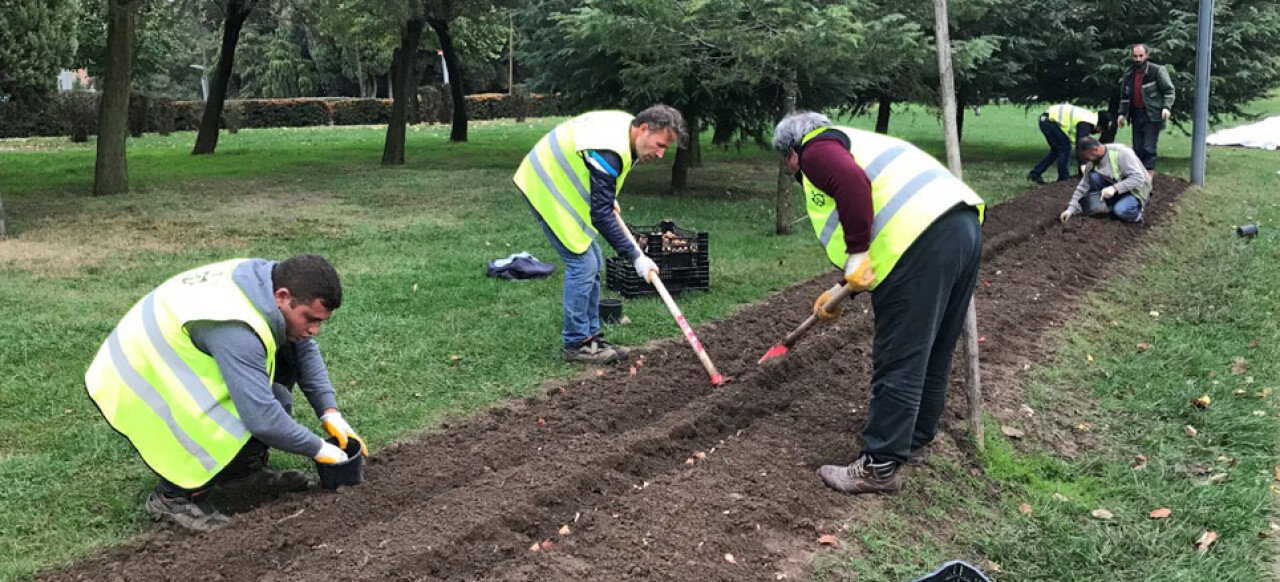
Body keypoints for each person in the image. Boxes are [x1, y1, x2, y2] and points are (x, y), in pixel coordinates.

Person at [772, 112, 985, 495]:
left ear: (791, 151)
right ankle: (915, 439)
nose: (793, 171)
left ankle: (880, 466)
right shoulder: (855, 142)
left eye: (788, 164)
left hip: (920, 242)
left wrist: (855, 254)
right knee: (934, 348)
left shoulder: (815, 148)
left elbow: (853, 187)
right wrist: (843, 289)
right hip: (960, 228)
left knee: (900, 353)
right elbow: (881, 219)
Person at [84, 255, 366, 532]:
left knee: (279, 377)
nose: (314, 330)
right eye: (310, 319)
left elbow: (304, 351)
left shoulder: (264, 283)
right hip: (138, 373)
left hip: (174, 349)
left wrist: (330, 413)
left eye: (321, 322)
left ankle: (239, 475)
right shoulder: (238, 329)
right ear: (282, 296)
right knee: (224, 421)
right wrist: (319, 449)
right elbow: (263, 419)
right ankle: (171, 498)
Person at [513, 105, 687, 364]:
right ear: (643, 129)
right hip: (545, 185)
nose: (661, 154)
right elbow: (601, 216)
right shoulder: (611, 149)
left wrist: (607, 195)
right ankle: (575, 343)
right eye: (660, 144)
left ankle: (591, 338)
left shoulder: (627, 133)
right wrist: (636, 257)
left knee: (592, 259)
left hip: (558, 183)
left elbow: (601, 179)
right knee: (583, 265)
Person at [1059, 137, 1151, 224]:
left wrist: (1114, 188)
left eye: (1087, 158)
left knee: (1120, 211)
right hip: (1119, 190)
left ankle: (1136, 214)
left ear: (1095, 150)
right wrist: (1070, 209)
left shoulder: (1122, 153)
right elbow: (1083, 186)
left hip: (1137, 190)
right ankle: (1112, 205)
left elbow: (1138, 177)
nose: (1087, 161)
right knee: (1093, 177)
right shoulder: (1093, 162)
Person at [1116, 43, 1175, 176]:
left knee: (1149, 148)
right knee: (1137, 149)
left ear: (1146, 55)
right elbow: (1125, 96)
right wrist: (1121, 114)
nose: (1138, 59)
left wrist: (1166, 107)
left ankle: (1148, 183)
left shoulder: (1157, 71)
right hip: (1136, 115)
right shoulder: (1129, 74)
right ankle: (1138, 178)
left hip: (1152, 115)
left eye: (1141, 56)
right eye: (1135, 56)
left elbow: (1169, 91)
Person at [1027, 104, 1110, 184]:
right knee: (1065, 148)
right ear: (1100, 125)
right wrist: (1083, 165)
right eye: (1101, 130)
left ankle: (1035, 174)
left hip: (1046, 119)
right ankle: (1063, 179)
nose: (1099, 132)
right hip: (1049, 120)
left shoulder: (1089, 118)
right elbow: (1081, 146)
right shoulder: (1086, 123)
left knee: (1057, 150)